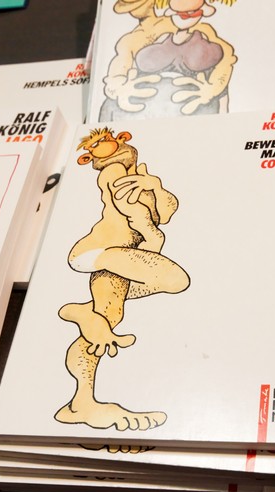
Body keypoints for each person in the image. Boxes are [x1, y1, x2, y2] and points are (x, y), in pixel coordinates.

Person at [55, 127, 190, 431]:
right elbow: (137, 213)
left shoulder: (136, 172)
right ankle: (77, 311)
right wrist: (153, 235)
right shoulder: (114, 170)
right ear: (88, 157)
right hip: (100, 250)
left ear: (122, 138)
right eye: (94, 145)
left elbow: (166, 211)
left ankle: (81, 402)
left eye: (104, 139)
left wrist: (155, 186)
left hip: (115, 257)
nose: (103, 145)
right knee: (175, 278)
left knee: (108, 318)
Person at [99, 0, 237, 120]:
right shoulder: (147, 31)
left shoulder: (205, 32)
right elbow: (123, 56)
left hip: (195, 117)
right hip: (133, 116)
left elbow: (227, 60)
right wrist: (117, 86)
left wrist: (213, 89)